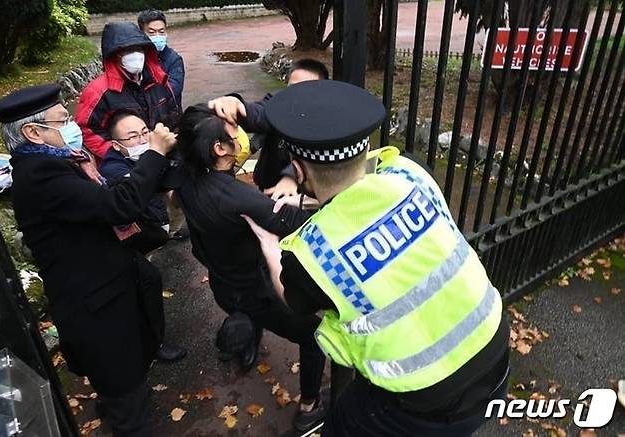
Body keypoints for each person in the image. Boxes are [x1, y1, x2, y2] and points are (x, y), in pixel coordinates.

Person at [243, 80, 511, 437]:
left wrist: (267, 243)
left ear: (299, 170)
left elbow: (293, 300)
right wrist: (314, 200)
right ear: (366, 146)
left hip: (425, 399)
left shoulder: (310, 255)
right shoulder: (410, 172)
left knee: (340, 425)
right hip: (494, 346)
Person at [0, 83, 178, 436]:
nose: (72, 125)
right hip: (96, 306)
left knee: (124, 377)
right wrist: (154, 153)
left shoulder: (61, 161)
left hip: (109, 283)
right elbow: (117, 206)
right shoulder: (41, 176)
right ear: (33, 132)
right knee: (127, 399)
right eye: (62, 120)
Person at [174, 104, 327, 431]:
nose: (241, 137)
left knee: (245, 314)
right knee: (314, 337)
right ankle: (310, 407)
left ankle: (245, 342)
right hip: (255, 290)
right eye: (233, 133)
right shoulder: (238, 199)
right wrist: (318, 198)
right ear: (218, 149)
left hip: (223, 282)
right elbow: (299, 224)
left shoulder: (184, 176)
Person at [207, 58, 329, 198]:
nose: (295, 96)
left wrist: (291, 176)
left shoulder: (326, 121)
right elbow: (259, 113)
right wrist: (235, 105)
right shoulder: (278, 105)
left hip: (303, 195)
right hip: (267, 187)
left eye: (304, 90)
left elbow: (321, 158)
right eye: (291, 88)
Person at [76, 21, 181, 160]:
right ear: (115, 55)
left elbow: (174, 115)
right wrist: (118, 153)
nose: (136, 55)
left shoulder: (159, 80)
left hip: (164, 154)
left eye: (139, 49)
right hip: (127, 162)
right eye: (127, 51)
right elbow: (86, 130)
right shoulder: (98, 91)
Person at [100, 109, 171, 255]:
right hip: (143, 227)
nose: (143, 140)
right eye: (133, 137)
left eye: (145, 132)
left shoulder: (157, 147)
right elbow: (140, 189)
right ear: (116, 145)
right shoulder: (112, 170)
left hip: (161, 213)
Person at [138, 9, 185, 109]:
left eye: (161, 32)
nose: (157, 36)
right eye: (152, 32)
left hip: (170, 115)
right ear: (141, 33)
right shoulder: (137, 58)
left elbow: (173, 90)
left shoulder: (174, 59)